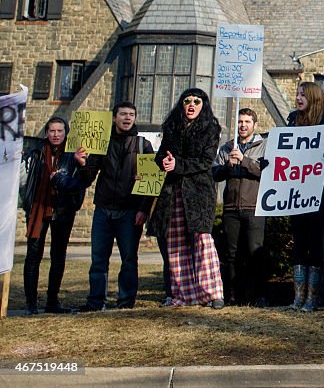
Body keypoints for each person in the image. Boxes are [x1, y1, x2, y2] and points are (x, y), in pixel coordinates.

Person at [149, 89, 224, 308]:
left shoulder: (210, 129)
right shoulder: (172, 127)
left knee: (202, 240)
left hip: (198, 193)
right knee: (175, 243)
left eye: (196, 101)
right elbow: (160, 155)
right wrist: (164, 160)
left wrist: (178, 165)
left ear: (203, 105)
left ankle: (212, 293)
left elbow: (205, 161)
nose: (191, 105)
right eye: (187, 101)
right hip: (173, 192)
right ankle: (183, 294)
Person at [79, 103, 154, 312]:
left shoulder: (143, 145)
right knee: (98, 260)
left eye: (131, 114)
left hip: (130, 212)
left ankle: (125, 302)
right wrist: (82, 163)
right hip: (103, 209)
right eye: (123, 114)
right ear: (114, 118)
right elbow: (87, 178)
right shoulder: (101, 143)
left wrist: (143, 209)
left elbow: (151, 182)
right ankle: (95, 302)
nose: (127, 118)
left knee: (129, 259)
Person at [20, 116, 88, 314]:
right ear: (46, 133)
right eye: (52, 131)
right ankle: (31, 303)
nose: (56, 135)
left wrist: (80, 165)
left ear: (66, 133)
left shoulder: (73, 154)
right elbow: (26, 181)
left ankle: (52, 301)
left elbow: (82, 182)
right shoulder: (36, 153)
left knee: (58, 255)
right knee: (33, 254)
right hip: (38, 209)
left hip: (63, 209)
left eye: (60, 131)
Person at [286, 81, 324, 312]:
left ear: (313, 96)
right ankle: (298, 297)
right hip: (294, 191)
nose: (298, 98)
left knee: (315, 246)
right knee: (299, 244)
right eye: (297, 93)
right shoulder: (293, 119)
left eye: (302, 94)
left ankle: (313, 297)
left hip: (318, 194)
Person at [211, 108, 268, 306]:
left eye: (247, 122)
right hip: (231, 209)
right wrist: (228, 166)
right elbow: (215, 174)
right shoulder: (227, 147)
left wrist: (244, 161)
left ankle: (258, 295)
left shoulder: (264, 146)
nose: (243, 125)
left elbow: (266, 171)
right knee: (231, 253)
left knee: (255, 252)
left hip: (254, 207)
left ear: (255, 125)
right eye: (240, 122)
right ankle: (232, 295)